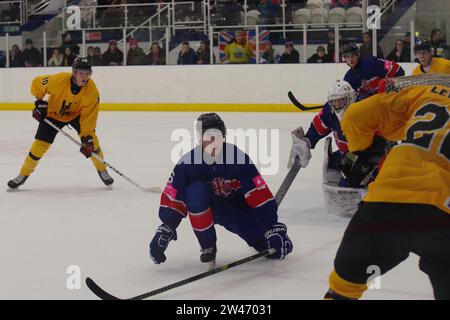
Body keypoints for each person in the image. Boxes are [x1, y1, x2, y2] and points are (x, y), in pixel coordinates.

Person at [324, 74, 450, 300]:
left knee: (343, 288)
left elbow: (354, 115)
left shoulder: (426, 92)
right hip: (441, 214)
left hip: (385, 201)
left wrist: (360, 148)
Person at [149, 113, 293, 265]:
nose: (212, 142)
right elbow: (174, 197)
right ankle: (208, 247)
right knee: (195, 192)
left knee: (270, 249)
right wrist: (166, 227)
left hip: (236, 210)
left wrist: (272, 228)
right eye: (207, 136)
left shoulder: (238, 158)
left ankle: (259, 236)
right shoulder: (187, 164)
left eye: (216, 136)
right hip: (210, 208)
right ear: (199, 138)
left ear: (224, 136)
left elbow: (258, 194)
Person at [7, 58, 114, 189]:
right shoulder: (58, 80)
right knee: (39, 146)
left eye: (87, 73)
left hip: (76, 116)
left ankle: (102, 169)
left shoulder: (92, 92)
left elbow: (88, 118)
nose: (85, 77)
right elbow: (36, 83)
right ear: (74, 73)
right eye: (81, 73)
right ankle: (23, 174)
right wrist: (39, 101)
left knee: (93, 143)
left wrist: (87, 138)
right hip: (53, 114)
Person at [287, 81, 390, 216]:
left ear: (351, 97)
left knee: (368, 178)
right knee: (343, 172)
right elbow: (317, 129)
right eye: (335, 102)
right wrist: (306, 142)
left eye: (341, 100)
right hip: (347, 154)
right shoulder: (330, 111)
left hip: (372, 153)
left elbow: (382, 139)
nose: (338, 105)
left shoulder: (364, 107)